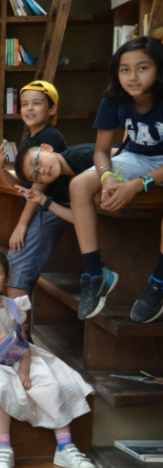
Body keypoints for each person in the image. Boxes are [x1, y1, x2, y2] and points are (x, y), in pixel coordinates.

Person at [0, 249, 96, 468]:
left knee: (51, 382)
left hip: (19, 358)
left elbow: (23, 343)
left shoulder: (13, 305)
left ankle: (65, 446)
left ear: (7, 279)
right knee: (0, 387)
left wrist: (25, 371)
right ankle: (4, 449)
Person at [71, 36, 163, 323]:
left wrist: (137, 185)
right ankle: (95, 275)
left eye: (142, 68)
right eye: (124, 69)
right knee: (79, 185)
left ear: (159, 69)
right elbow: (101, 151)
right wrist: (108, 176)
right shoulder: (115, 99)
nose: (132, 77)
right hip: (137, 157)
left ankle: (158, 284)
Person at [0, 81, 71, 305]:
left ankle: (19, 327)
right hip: (38, 207)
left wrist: (22, 224)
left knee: (17, 267)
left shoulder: (51, 137)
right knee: (15, 266)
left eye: (36, 103)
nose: (29, 108)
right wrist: (0, 168)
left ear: (52, 109)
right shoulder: (30, 139)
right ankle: (19, 326)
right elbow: (23, 186)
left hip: (49, 208)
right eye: (24, 104)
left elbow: (40, 185)